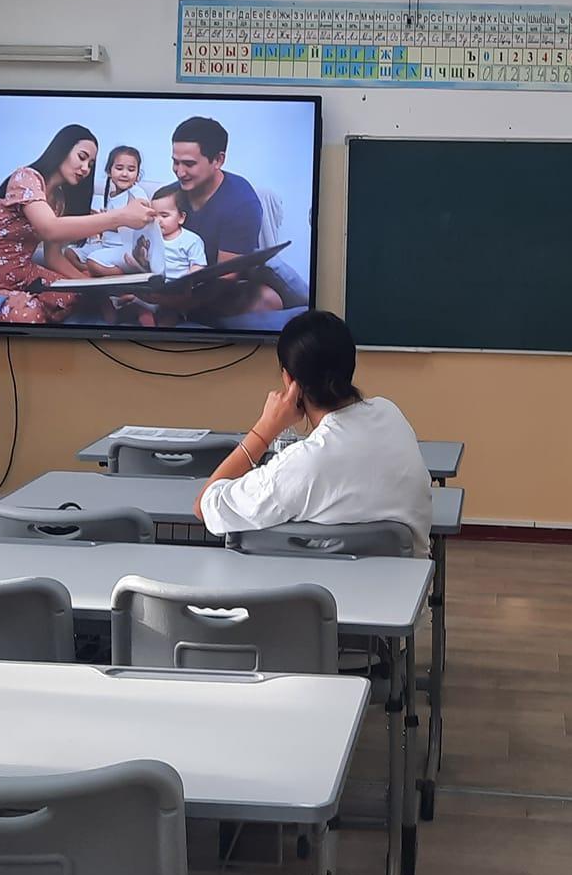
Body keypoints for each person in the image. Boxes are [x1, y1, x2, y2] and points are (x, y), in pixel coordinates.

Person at [195, 311, 432, 553]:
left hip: (312, 579)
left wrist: (265, 430)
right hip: (404, 577)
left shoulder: (301, 465)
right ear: (350, 365)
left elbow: (205, 506)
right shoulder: (390, 414)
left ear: (290, 381)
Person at [0, 123, 154, 323]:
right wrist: (120, 217)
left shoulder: (58, 199)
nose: (85, 169)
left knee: (75, 295)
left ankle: (26, 301)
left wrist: (95, 287)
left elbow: (53, 258)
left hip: (23, 274)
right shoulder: (25, 177)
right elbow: (49, 229)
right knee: (27, 315)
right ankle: (22, 304)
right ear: (62, 150)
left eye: (91, 164)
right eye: (82, 157)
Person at [166, 115, 282, 317]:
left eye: (189, 164)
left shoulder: (241, 203)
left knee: (268, 299)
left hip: (215, 292)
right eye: (175, 162)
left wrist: (168, 301)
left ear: (218, 160)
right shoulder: (170, 196)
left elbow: (224, 280)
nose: (180, 172)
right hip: (171, 283)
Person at [66, 144, 155, 276]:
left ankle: (118, 275)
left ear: (137, 174)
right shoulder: (112, 195)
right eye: (119, 168)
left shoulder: (136, 193)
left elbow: (140, 223)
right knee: (70, 253)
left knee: (93, 262)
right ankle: (89, 269)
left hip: (124, 248)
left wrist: (107, 221)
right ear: (109, 171)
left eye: (131, 170)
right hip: (106, 245)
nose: (124, 174)